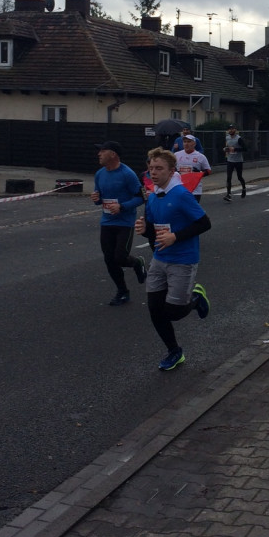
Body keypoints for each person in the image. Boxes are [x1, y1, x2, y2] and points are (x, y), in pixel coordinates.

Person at [135, 147, 211, 371]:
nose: (153, 172)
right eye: (151, 168)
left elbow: (204, 223)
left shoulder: (181, 195)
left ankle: (196, 298)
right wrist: (145, 229)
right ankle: (174, 352)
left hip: (183, 259)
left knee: (174, 313)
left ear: (171, 170)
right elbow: (155, 232)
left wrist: (175, 237)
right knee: (155, 310)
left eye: (159, 168)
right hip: (160, 259)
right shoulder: (153, 197)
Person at [90, 140, 146, 306]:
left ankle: (137, 263)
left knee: (120, 257)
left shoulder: (127, 174)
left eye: (102, 151)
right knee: (109, 259)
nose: (98, 154)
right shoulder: (100, 174)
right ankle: (122, 291)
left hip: (124, 222)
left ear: (113, 154)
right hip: (107, 221)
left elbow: (141, 197)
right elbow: (99, 199)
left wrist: (122, 206)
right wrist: (96, 199)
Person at [174, 135, 212, 203]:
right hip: (180, 188)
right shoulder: (176, 155)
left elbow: (208, 171)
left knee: (193, 212)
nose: (186, 144)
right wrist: (176, 172)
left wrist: (199, 172)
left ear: (194, 144)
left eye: (189, 142)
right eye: (184, 142)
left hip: (195, 190)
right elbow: (170, 169)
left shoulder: (200, 156)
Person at [223, 125, 247, 201]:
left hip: (238, 161)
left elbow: (245, 149)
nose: (230, 130)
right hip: (230, 160)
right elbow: (227, 146)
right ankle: (228, 194)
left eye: (232, 129)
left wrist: (235, 149)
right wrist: (225, 149)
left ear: (235, 130)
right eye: (229, 129)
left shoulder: (238, 138)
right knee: (229, 177)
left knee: (239, 176)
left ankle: (244, 188)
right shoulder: (227, 137)